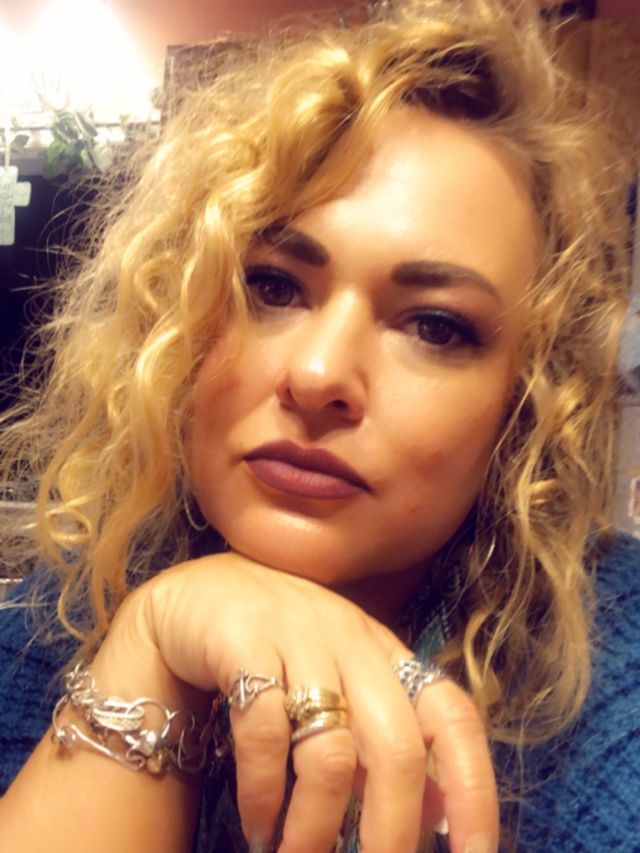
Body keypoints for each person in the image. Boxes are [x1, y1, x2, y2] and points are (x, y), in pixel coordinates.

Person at [0, 1, 638, 851]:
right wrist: (148, 645)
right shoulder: (68, 606)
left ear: (522, 404)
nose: (317, 375)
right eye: (271, 285)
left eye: (435, 325)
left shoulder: (609, 682)